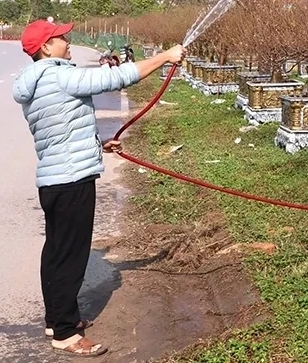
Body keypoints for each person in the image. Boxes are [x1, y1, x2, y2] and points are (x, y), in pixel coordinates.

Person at [12, 19, 184, 356]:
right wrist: (165, 56)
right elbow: (116, 78)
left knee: (57, 253)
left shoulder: (35, 83)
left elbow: (60, 132)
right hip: (72, 181)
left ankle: (57, 320)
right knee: (70, 258)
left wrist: (98, 145)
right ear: (46, 48)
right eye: (61, 38)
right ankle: (65, 334)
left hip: (55, 180)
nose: (67, 41)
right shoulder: (58, 75)